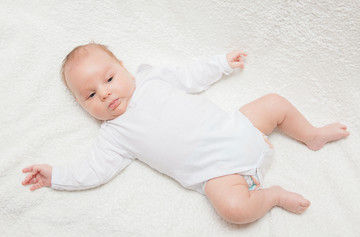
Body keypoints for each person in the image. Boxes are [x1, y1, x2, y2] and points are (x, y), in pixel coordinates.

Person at [22, 43, 350, 224]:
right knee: (234, 210)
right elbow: (93, 170)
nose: (104, 94)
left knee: (274, 103)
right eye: (90, 95)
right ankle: (273, 196)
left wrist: (222, 62)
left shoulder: (152, 79)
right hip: (221, 174)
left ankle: (311, 134)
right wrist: (56, 176)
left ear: (123, 66)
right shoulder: (114, 135)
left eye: (108, 79)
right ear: (81, 106)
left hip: (239, 127)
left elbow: (191, 76)